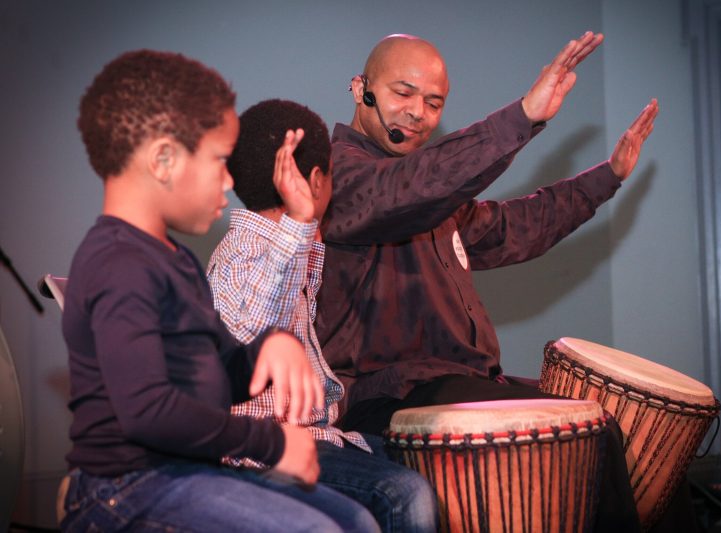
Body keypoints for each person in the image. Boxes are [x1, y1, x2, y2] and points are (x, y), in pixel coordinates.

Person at [315, 33, 665, 531]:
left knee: (617, 425)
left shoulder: (433, 197)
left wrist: (606, 177)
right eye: (403, 93)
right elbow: (405, 190)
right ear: (360, 88)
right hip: (388, 397)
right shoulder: (337, 177)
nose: (417, 112)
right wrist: (522, 117)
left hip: (455, 384)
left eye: (433, 103)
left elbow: (513, 228)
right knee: (592, 430)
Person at [60, 49, 379, 533]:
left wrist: (266, 351)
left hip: (186, 472)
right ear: (164, 159)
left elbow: (220, 371)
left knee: (355, 524)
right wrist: (270, 442)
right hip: (124, 488)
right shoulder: (117, 263)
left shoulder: (175, 259)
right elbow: (149, 412)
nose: (230, 181)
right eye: (217, 162)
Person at [207, 98, 438, 532]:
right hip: (262, 451)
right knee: (404, 492)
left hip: (317, 437)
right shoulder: (242, 252)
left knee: (434, 463)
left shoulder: (292, 247)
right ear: (316, 180)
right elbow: (253, 331)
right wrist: (299, 221)